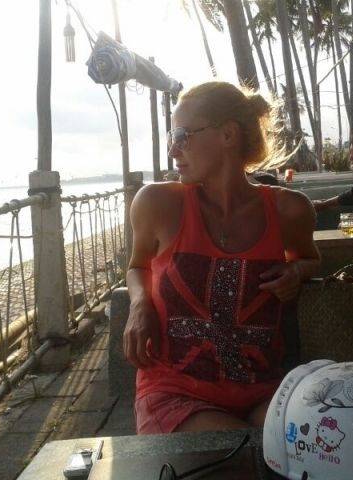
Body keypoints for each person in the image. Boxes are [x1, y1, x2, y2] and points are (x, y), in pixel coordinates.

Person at [124, 81, 320, 435]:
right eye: (172, 137)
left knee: (314, 444)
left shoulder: (289, 210)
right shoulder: (158, 204)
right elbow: (138, 266)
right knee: (243, 452)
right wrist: (140, 303)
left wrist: (297, 273)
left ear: (228, 135)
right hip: (175, 392)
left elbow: (310, 259)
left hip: (266, 389)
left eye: (182, 136)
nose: (173, 149)